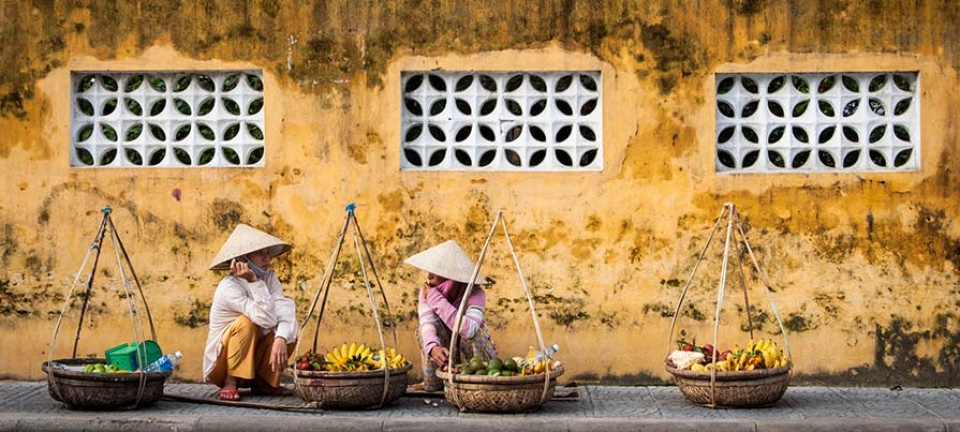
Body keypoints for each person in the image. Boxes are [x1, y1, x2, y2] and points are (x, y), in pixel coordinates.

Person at [203, 224, 298, 402]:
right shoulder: (229, 287)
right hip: (223, 364)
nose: (266, 257)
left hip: (252, 358)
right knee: (247, 322)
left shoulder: (269, 278)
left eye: (267, 252)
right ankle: (230, 382)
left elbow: (285, 312)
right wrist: (253, 281)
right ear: (242, 259)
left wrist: (281, 338)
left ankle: (264, 382)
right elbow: (266, 318)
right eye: (259, 253)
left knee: (288, 331)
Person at [404, 240, 498, 391]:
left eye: (436, 271)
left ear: (451, 274)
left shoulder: (475, 293)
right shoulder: (426, 291)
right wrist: (433, 347)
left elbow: (469, 330)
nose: (429, 276)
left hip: (473, 361)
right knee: (422, 331)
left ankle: (477, 381)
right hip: (446, 352)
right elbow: (427, 323)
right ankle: (437, 380)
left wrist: (436, 299)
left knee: (476, 332)